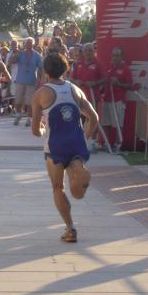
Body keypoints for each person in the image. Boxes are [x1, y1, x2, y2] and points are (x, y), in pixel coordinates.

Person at [31, 53, 98, 243]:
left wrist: (42, 129)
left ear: (45, 71)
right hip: (76, 142)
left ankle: (70, 228)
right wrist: (85, 136)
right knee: (75, 186)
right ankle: (78, 168)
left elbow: (35, 130)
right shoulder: (75, 89)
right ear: (65, 68)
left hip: (55, 145)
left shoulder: (40, 94)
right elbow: (94, 118)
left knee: (57, 187)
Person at [101, 47, 132, 152]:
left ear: (122, 56)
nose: (115, 57)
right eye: (113, 55)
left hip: (118, 100)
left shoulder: (125, 69)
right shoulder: (109, 68)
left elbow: (129, 85)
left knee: (118, 123)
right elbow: (105, 80)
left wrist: (118, 83)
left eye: (117, 55)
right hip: (107, 98)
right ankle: (107, 143)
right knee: (106, 122)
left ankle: (118, 143)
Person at [11, 37, 43, 127]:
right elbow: (12, 62)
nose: (28, 45)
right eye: (26, 43)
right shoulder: (20, 54)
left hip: (31, 80)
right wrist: (16, 55)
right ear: (24, 44)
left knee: (29, 101)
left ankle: (29, 118)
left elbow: (40, 68)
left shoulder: (37, 55)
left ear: (33, 44)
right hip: (20, 79)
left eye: (30, 43)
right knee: (17, 99)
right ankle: (18, 114)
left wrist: (39, 79)